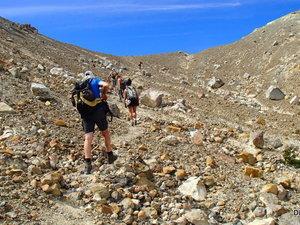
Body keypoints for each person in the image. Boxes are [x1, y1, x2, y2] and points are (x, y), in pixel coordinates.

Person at [70, 71, 118, 174]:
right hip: (98, 111)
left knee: (88, 138)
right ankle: (110, 156)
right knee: (105, 133)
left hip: (86, 114)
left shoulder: (80, 84)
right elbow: (106, 85)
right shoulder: (94, 80)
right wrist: (103, 94)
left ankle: (88, 165)